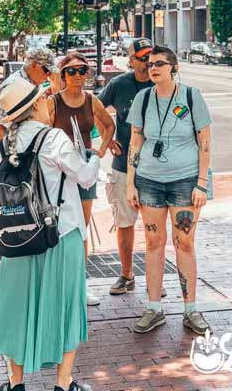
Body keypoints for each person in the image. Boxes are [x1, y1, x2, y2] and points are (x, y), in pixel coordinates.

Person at [0, 75, 99, 391]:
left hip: (17, 238)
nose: (49, 102)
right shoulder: (54, 139)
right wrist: (94, 156)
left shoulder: (6, 143)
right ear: (34, 107)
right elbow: (85, 177)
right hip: (60, 234)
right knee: (67, 307)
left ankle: (16, 383)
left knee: (17, 309)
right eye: (44, 98)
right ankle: (63, 382)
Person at [126, 45, 213, 335]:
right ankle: (154, 307)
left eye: (160, 64)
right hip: (149, 180)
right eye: (150, 64)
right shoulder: (143, 98)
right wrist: (131, 183)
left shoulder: (191, 96)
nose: (153, 68)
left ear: (174, 68)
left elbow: (205, 142)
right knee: (153, 243)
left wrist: (202, 182)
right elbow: (135, 142)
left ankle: (191, 309)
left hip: (186, 180)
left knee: (184, 242)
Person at [48, 52, 115, 306]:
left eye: (82, 70)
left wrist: (100, 151)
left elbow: (109, 125)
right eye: (72, 71)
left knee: (80, 230)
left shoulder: (91, 100)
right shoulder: (53, 102)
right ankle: (57, 284)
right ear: (63, 75)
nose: (78, 76)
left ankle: (79, 286)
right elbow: (42, 131)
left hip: (84, 168)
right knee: (57, 226)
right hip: (59, 171)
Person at [98, 38, 154, 294]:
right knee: (125, 222)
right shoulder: (119, 85)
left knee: (155, 227)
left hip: (157, 169)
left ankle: (156, 279)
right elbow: (94, 109)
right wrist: (108, 139)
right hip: (123, 166)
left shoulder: (163, 83)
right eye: (142, 58)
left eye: (150, 56)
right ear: (131, 60)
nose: (147, 62)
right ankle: (126, 274)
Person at [0, 46, 60, 151]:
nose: (49, 75)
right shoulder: (12, 85)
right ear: (33, 65)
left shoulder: (35, 82)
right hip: (12, 152)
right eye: (46, 70)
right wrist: (0, 160)